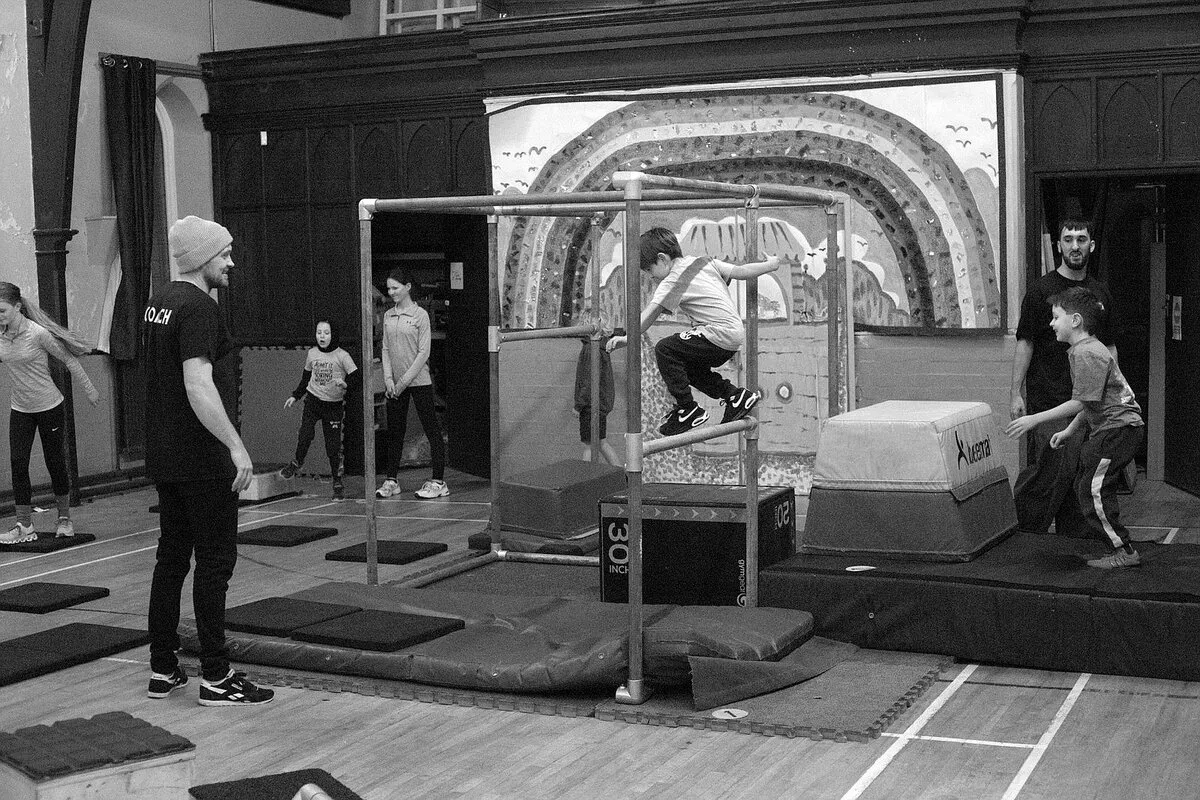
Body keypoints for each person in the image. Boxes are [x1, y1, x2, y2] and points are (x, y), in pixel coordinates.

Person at [143, 215, 273, 706]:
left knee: (171, 558)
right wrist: (235, 445)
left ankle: (162, 669)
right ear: (201, 258)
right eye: (224, 253)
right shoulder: (199, 307)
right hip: (200, 458)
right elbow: (197, 384)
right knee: (214, 564)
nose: (231, 262)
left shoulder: (159, 301)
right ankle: (216, 677)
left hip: (166, 455)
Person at [1006, 287, 1144, 569]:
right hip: (1115, 429)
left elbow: (1080, 401)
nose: (1051, 324)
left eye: (1056, 317)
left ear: (1076, 320)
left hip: (1118, 430)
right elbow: (1091, 401)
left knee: (1093, 490)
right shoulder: (1084, 350)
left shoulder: (1086, 353)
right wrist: (1069, 431)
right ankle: (1117, 546)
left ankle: (1124, 550)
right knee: (1087, 487)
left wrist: (1035, 419)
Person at [607, 227, 780, 436]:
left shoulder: (674, 280)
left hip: (717, 333)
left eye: (649, 270)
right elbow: (741, 272)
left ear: (662, 259)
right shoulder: (704, 262)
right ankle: (735, 396)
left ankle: (687, 408)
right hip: (732, 336)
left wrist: (628, 338)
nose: (650, 276)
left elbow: (650, 314)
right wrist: (771, 265)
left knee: (665, 349)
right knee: (686, 367)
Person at [1009, 218, 1117, 537]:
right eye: (1068, 240)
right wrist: (1015, 393)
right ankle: (1025, 538)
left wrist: (1114, 392)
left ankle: (1073, 546)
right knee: (1048, 475)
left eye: (1081, 239)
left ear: (1091, 246)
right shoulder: (1041, 291)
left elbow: (1109, 347)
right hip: (1049, 401)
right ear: (1059, 246)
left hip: (1088, 404)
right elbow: (1025, 341)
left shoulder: (1100, 293)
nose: (1074, 246)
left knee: (1081, 478)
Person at [0, 283, 100, 544]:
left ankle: (64, 519)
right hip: (21, 408)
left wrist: (90, 389)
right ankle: (24, 524)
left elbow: (69, 360)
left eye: (2, 310)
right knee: (18, 463)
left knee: (54, 462)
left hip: (49, 406)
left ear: (17, 307)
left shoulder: (38, 334)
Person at [375, 269, 448, 500]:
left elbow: (423, 352)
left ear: (407, 287)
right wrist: (388, 379)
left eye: (395, 288)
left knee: (431, 428)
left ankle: (438, 481)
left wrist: (404, 382)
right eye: (388, 288)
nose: (391, 292)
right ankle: (391, 480)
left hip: (418, 382)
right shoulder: (388, 315)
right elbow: (385, 348)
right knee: (395, 432)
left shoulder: (420, 315)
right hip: (395, 385)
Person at [280, 320, 359, 500]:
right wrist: (295, 396)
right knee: (305, 434)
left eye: (326, 333)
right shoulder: (312, 354)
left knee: (333, 446)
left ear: (333, 335)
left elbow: (356, 377)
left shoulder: (342, 356)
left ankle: (337, 480)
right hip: (313, 401)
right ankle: (297, 462)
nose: (322, 336)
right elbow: (306, 377)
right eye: (319, 332)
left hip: (333, 406)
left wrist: (345, 384)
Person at [575, 333, 621, 466]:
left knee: (590, 445)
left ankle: (585, 475)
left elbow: (588, 380)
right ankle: (621, 474)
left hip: (591, 404)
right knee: (601, 443)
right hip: (599, 402)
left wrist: (579, 405)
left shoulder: (591, 349)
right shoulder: (601, 347)